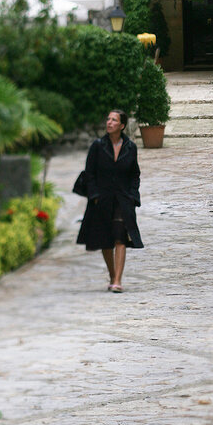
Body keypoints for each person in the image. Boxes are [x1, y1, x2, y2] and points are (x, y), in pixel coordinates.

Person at [76, 109, 143, 292]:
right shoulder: (97, 146)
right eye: (108, 119)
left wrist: (133, 196)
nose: (109, 122)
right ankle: (113, 274)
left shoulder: (131, 147)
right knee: (105, 240)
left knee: (121, 237)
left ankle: (118, 281)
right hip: (102, 199)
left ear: (121, 126)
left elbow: (134, 174)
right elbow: (89, 173)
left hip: (123, 199)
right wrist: (94, 196)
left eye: (114, 120)